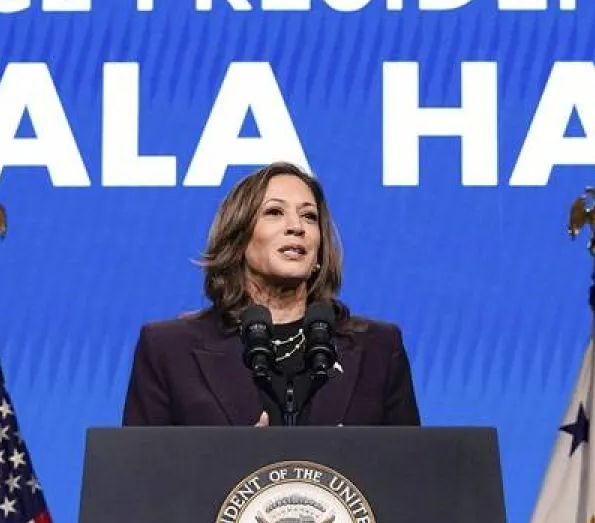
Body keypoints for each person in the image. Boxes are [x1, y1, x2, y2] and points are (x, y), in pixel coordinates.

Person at [122, 161, 420, 427]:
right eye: (275, 212)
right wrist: (228, 466)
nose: (296, 227)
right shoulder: (169, 350)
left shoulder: (378, 349)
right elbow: (140, 478)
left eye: (309, 217)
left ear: (319, 250)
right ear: (238, 238)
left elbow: (410, 477)